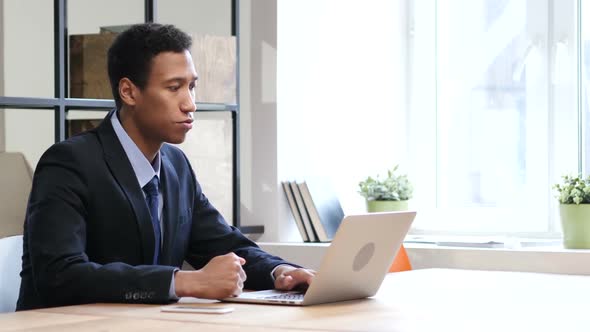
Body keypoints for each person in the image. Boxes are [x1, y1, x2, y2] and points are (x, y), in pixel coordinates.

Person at [16, 23, 314, 311]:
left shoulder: (175, 164)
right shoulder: (68, 163)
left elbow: (223, 242)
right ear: (129, 92)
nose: (190, 104)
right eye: (174, 88)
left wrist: (281, 271)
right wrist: (183, 281)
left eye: (192, 86)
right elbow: (59, 275)